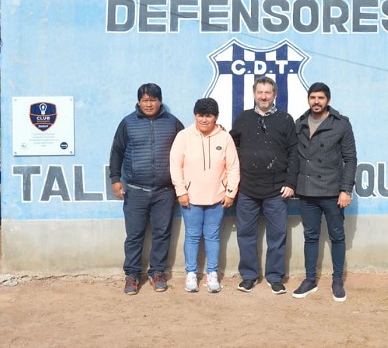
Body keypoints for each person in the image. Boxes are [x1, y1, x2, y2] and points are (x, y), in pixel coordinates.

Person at [109, 83, 184, 295]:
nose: (149, 104)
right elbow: (117, 151)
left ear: (160, 101)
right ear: (139, 102)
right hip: (135, 190)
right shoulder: (128, 123)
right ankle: (132, 275)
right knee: (134, 235)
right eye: (145, 100)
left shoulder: (172, 122)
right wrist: (115, 179)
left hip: (164, 191)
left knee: (162, 233)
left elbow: (187, 147)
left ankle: (157, 272)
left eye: (153, 100)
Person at [230, 76, 299, 294]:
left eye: (268, 92)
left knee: (277, 235)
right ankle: (249, 276)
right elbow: (231, 147)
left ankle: (275, 276)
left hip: (276, 190)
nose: (263, 97)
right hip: (247, 189)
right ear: (254, 94)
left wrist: (290, 182)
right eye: (260, 92)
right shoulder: (243, 118)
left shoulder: (285, 120)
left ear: (274, 95)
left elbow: (294, 153)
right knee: (245, 234)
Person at [291, 82, 357, 302]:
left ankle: (337, 281)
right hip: (307, 191)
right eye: (313, 98)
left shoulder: (341, 124)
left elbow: (350, 159)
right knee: (310, 237)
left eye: (320, 98)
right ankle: (310, 280)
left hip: (332, 191)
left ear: (328, 100)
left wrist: (346, 189)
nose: (316, 102)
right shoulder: (299, 123)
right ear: (308, 100)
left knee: (337, 236)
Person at [169, 98, 240, 293]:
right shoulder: (184, 136)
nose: (204, 120)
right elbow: (175, 166)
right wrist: (181, 191)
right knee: (192, 236)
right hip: (190, 198)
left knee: (213, 236)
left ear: (216, 117)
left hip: (217, 198)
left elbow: (233, 167)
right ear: (195, 115)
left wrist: (230, 193)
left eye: (208, 116)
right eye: (200, 115)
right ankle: (191, 274)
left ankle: (212, 274)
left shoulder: (224, 138)